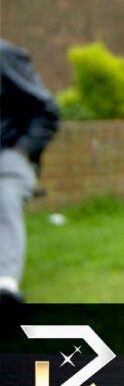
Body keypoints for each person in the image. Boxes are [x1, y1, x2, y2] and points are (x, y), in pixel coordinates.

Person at [0, 39, 60, 306]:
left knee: (4, 195)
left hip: (8, 154)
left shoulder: (4, 56)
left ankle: (4, 284)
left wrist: (22, 151)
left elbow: (47, 111)